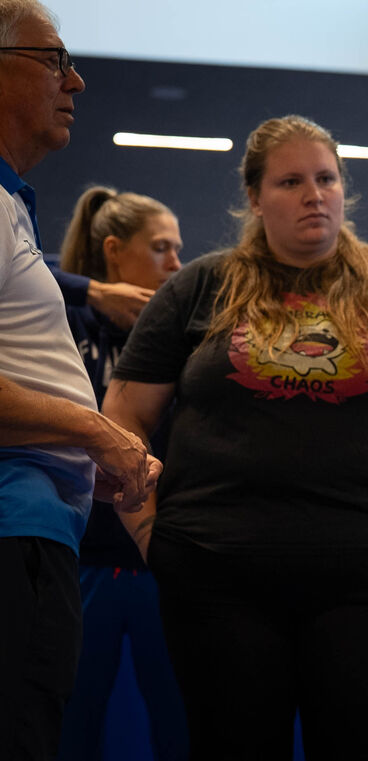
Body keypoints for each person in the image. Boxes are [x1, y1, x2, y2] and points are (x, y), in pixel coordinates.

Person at [102, 114, 368, 761]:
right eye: (290, 181)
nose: (315, 194)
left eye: (326, 178)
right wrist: (146, 529)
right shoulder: (197, 287)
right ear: (254, 197)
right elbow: (123, 412)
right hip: (218, 577)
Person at [0, 2, 160, 759]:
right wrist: (93, 430)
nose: (79, 80)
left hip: (38, 534)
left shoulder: (11, 210)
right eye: (56, 59)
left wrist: (77, 453)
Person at [55, 186, 188, 761]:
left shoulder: (182, 331)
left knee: (182, 726)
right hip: (79, 559)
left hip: (163, 559)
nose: (177, 264)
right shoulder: (62, 316)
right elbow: (17, 277)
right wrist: (92, 291)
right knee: (68, 724)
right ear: (114, 250)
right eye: (162, 248)